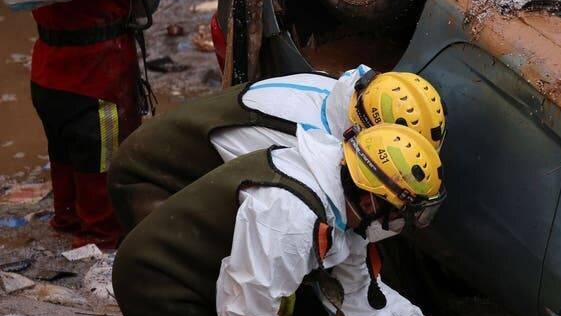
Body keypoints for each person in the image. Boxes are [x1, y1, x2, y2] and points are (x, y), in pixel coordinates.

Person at [113, 123, 511, 316]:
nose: (407, 224)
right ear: (373, 199)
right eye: (408, 212)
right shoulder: (291, 217)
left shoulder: (345, 206)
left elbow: (357, 295)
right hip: (161, 280)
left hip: (218, 279)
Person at [1, 0, 163, 249]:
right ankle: (97, 244)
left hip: (87, 68)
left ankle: (69, 224)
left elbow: (134, 10)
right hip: (88, 75)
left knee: (70, 155)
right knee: (101, 160)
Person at [107, 66, 447, 230]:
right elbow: (273, 222)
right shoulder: (299, 141)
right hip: (147, 178)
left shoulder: (343, 95)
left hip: (199, 164)